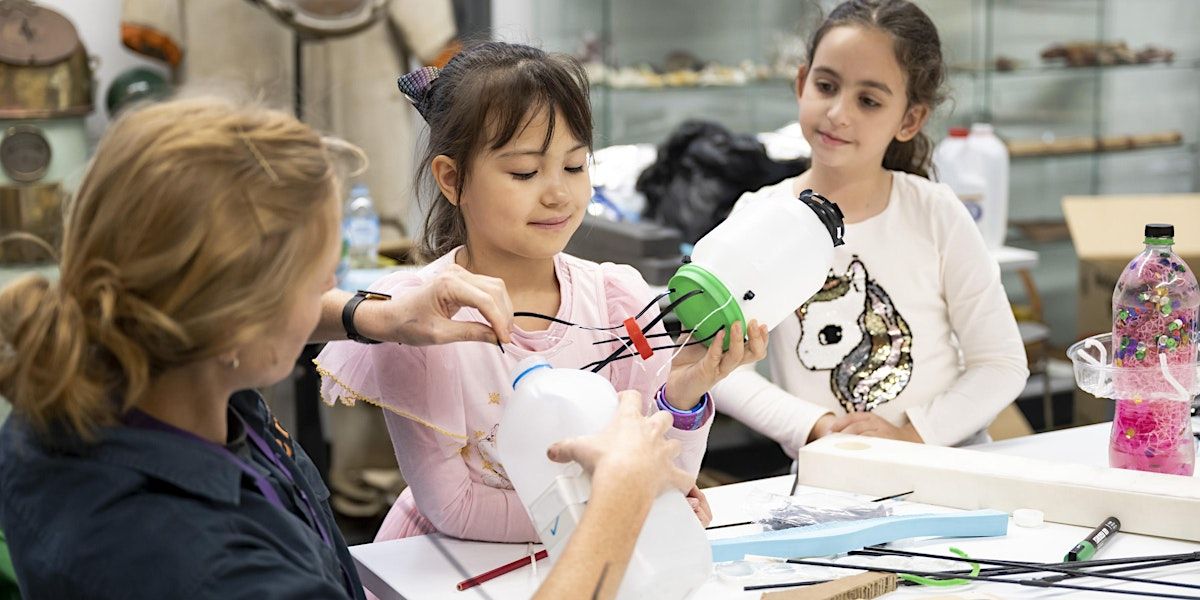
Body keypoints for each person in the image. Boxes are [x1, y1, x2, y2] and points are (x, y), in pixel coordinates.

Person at [0, 97, 689, 600]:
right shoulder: (214, 570)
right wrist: (615, 506)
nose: (336, 289)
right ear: (238, 323)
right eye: (322, 275)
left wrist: (374, 316)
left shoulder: (82, 392)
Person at [315, 41, 767, 544]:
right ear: (452, 178)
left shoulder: (614, 298)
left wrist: (686, 391)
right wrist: (623, 508)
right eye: (525, 172)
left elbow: (664, 463)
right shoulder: (419, 317)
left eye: (574, 167)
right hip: (451, 566)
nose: (557, 193)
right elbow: (457, 508)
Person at [713, 0, 1028, 455]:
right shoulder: (759, 217)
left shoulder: (936, 213)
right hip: (829, 475)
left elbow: (1000, 363)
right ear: (802, 84)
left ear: (910, 119)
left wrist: (911, 436)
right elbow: (722, 368)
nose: (839, 113)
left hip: (945, 466)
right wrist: (815, 425)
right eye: (826, 86)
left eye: (868, 100)